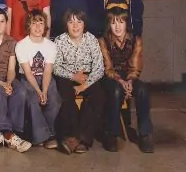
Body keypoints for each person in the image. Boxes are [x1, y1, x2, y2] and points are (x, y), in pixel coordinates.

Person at [99, 8, 154, 153]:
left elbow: (135, 66)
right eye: (113, 22)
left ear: (126, 24)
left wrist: (129, 81)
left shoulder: (135, 39)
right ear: (108, 25)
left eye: (121, 22)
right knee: (116, 91)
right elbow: (107, 67)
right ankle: (112, 134)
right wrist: (120, 81)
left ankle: (145, 134)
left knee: (142, 90)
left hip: (129, 75)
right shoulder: (103, 41)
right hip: (111, 76)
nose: (117, 26)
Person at [53, 9, 105, 154]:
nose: (75, 26)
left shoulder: (91, 40)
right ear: (66, 25)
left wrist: (84, 85)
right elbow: (55, 67)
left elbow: (99, 68)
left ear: (84, 24)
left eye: (79, 22)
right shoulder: (60, 40)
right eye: (71, 22)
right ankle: (73, 136)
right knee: (65, 96)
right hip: (67, 75)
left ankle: (83, 138)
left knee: (97, 97)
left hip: (88, 77)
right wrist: (72, 76)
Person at [0, 8, 32, 152]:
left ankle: (6, 133)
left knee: (21, 91)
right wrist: (2, 84)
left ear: (6, 23)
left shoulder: (11, 42)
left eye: (2, 21)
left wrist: (9, 83)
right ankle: (8, 134)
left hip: (7, 78)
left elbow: (11, 69)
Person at [15, 10, 61, 148]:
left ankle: (50, 133)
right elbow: (28, 72)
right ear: (28, 25)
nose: (38, 27)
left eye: (41, 23)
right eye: (34, 23)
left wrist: (45, 91)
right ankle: (41, 137)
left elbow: (47, 70)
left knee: (55, 100)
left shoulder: (51, 45)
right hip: (28, 78)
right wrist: (38, 91)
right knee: (33, 100)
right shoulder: (21, 45)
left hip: (45, 77)